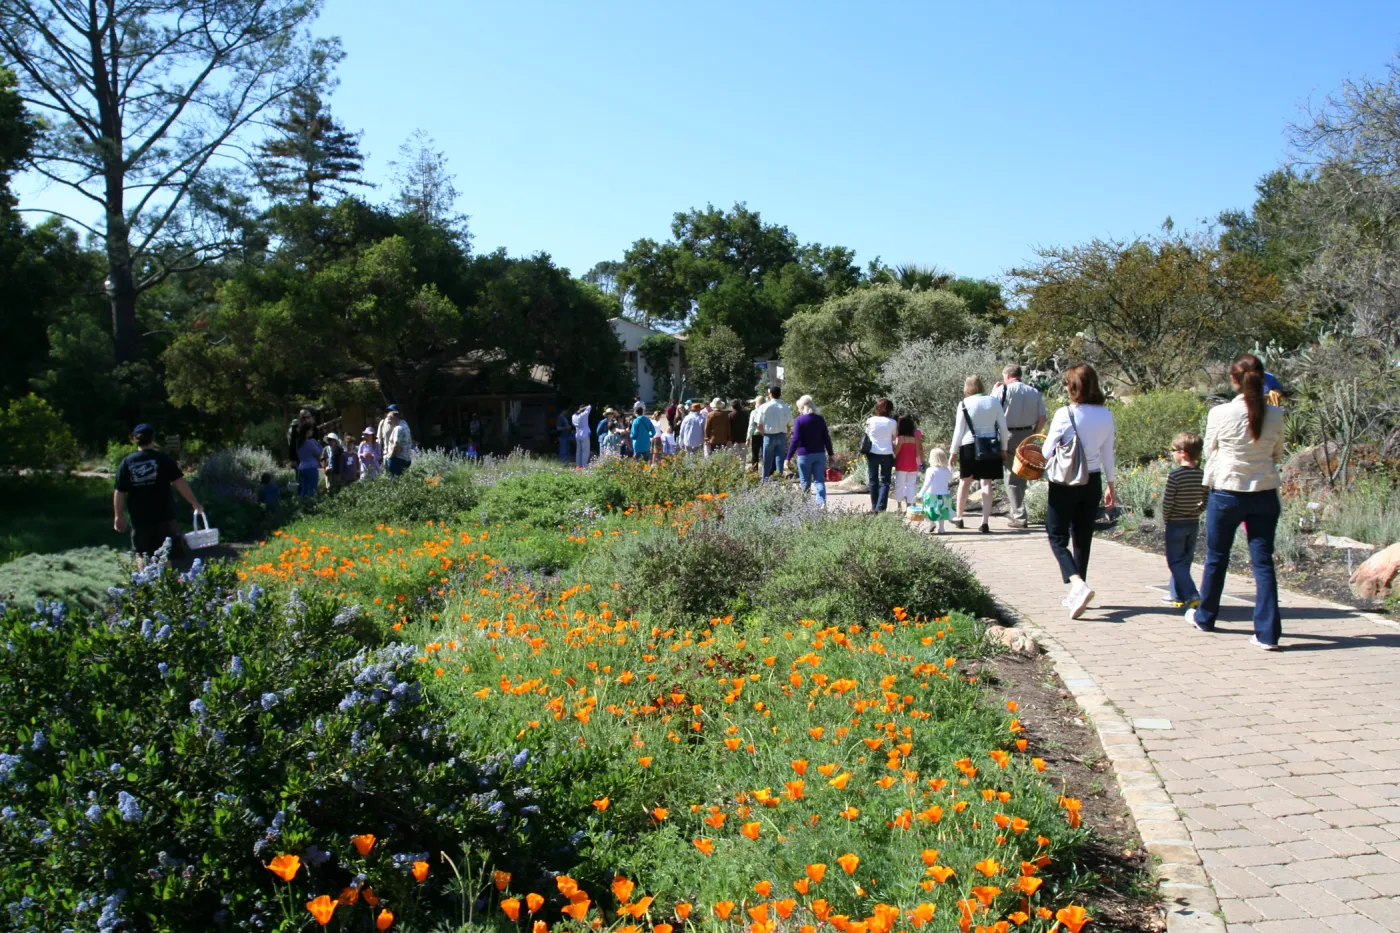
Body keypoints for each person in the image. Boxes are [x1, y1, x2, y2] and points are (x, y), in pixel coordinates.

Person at [1186, 354, 1286, 650]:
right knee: (1263, 563)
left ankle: (1206, 616)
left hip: (1228, 492)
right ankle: (1268, 633)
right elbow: (1277, 454)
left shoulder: (1220, 414)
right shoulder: (1276, 414)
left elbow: (1209, 451)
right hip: (1264, 493)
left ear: (1233, 380)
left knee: (1217, 557)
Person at [1040, 364, 1117, 620]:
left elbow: (1046, 451)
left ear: (1073, 386)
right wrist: (1111, 485)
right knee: (1083, 536)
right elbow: (1108, 454)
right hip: (1092, 480)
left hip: (1065, 481)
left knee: (1056, 535)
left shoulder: (1065, 414)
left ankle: (1077, 584)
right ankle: (1078, 590)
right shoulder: (1106, 415)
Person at [113, 423, 203, 560]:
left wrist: (118, 516)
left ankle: (143, 580)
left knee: (142, 555)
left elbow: (119, 492)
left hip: (139, 519)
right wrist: (194, 503)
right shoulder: (163, 459)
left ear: (135, 440)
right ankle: (165, 580)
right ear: (153, 439)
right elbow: (180, 483)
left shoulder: (127, 462)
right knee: (168, 555)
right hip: (164, 517)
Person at [950, 375, 1009, 533]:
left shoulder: (964, 404)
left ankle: (959, 516)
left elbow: (958, 431)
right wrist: (1004, 447)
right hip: (990, 444)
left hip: (969, 444)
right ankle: (985, 521)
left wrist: (953, 451)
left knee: (965, 481)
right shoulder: (994, 402)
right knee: (986, 482)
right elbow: (1003, 428)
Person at [993, 365, 1048, 528]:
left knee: (1011, 474)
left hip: (1007, 434)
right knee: (1023, 472)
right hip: (1027, 434)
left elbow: (989, 408)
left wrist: (993, 390)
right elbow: (1042, 417)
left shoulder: (1002, 391)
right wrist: (1034, 435)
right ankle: (1018, 509)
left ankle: (1019, 516)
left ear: (1008, 375)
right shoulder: (1034, 392)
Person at [1161, 432, 1206, 609]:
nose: (1171, 453)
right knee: (1184, 560)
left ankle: (1192, 594)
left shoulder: (1175, 476)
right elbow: (1206, 498)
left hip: (1175, 522)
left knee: (1174, 561)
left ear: (1183, 453)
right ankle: (1176, 595)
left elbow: (1168, 501)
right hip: (1192, 522)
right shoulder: (1202, 475)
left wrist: (1167, 517)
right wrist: (1197, 511)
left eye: (1173, 450)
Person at [786, 394, 834, 504]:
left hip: (804, 455)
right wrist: (831, 453)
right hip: (819, 454)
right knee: (819, 481)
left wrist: (788, 457)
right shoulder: (820, 419)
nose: (799, 410)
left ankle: (806, 507)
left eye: (799, 408)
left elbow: (796, 440)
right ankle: (821, 504)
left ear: (802, 408)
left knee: (805, 482)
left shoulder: (799, 420)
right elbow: (826, 438)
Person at [862, 399, 899, 513]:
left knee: (873, 480)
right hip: (887, 453)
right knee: (885, 481)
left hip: (872, 452)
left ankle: (874, 507)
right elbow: (894, 436)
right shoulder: (892, 422)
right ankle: (881, 508)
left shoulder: (870, 420)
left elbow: (867, 434)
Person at [756, 386, 795, 480]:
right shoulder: (785, 407)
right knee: (779, 459)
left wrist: (763, 433)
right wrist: (786, 434)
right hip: (781, 435)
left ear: (770, 394)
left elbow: (759, 424)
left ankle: (764, 479)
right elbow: (789, 424)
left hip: (768, 435)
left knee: (767, 459)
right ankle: (779, 478)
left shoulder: (764, 407)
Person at [917, 448, 955, 534]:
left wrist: (921, 493)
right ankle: (941, 528)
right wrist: (951, 469)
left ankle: (932, 523)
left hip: (932, 495)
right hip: (944, 495)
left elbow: (927, 483)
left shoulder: (930, 470)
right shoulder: (946, 470)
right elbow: (950, 479)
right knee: (942, 513)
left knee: (928, 511)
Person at [892, 415, 925, 511]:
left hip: (901, 465)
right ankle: (910, 506)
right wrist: (920, 463)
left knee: (900, 485)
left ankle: (899, 507)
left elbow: (896, 453)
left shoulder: (901, 439)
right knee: (911, 485)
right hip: (913, 465)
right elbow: (918, 453)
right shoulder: (916, 439)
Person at [295, 425, 323, 496]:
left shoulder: (299, 443)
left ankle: (302, 504)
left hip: (302, 467)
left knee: (303, 490)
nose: (312, 431)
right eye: (311, 430)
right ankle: (311, 505)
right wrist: (317, 443)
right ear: (307, 432)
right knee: (312, 489)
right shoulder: (309, 442)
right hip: (311, 468)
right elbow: (319, 452)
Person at [384, 410, 413, 476]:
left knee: (394, 482)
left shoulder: (398, 428)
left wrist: (390, 457)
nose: (388, 422)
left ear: (394, 418)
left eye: (389, 419)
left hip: (398, 459)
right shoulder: (405, 425)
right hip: (407, 459)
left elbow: (396, 445)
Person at [572, 404, 593, 468]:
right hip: (584, 435)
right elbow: (590, 406)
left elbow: (573, 424)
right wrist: (584, 408)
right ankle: (584, 466)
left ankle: (578, 466)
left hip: (578, 435)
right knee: (585, 451)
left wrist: (579, 410)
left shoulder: (573, 416)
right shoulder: (584, 414)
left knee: (578, 451)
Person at [747, 395, 765, 467]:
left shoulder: (754, 412)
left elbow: (751, 426)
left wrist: (748, 438)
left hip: (756, 435)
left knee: (755, 454)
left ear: (758, 403)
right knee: (765, 454)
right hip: (766, 434)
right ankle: (766, 472)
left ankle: (755, 471)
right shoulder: (767, 411)